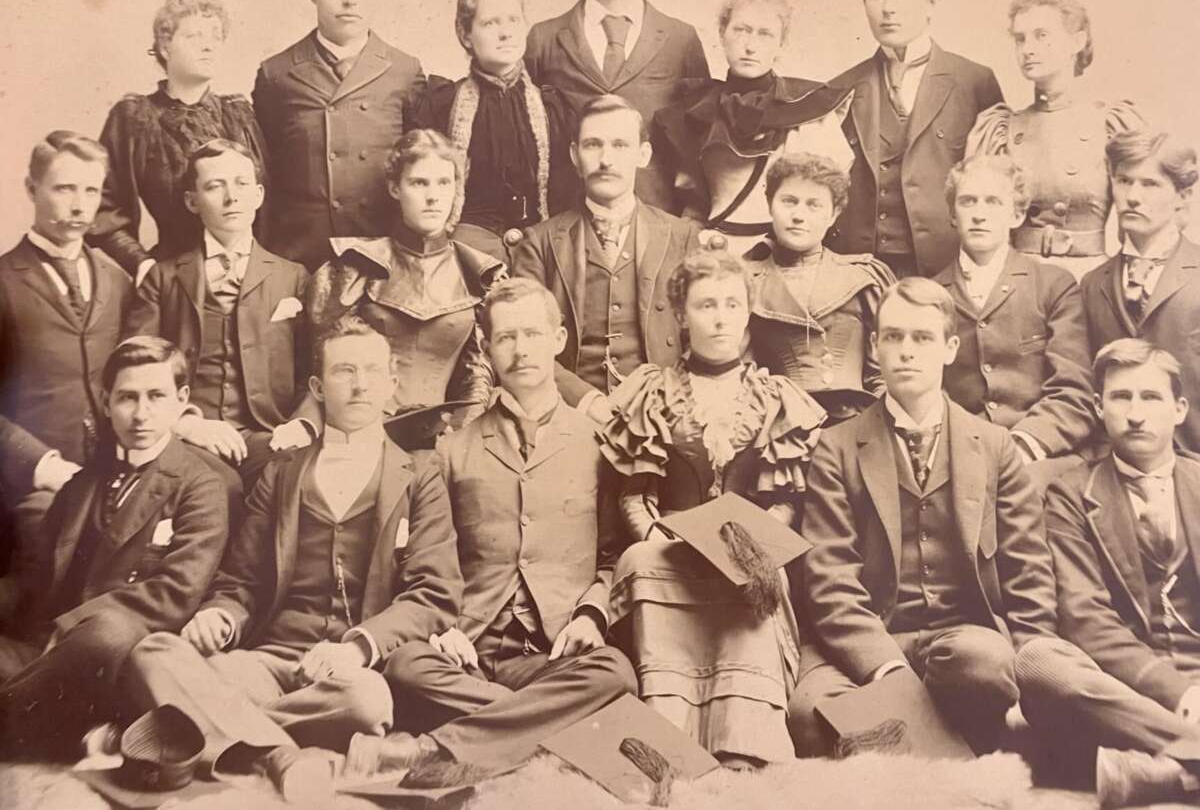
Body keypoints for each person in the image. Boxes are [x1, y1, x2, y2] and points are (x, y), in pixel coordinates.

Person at [123, 315, 461, 781]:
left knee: (368, 701)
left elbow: (434, 592)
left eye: (371, 371)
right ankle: (280, 755)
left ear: (391, 382)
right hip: (267, 661)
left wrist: (358, 648)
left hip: (347, 675)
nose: (359, 385)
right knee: (154, 652)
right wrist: (220, 617)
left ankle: (203, 727)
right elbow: (239, 582)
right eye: (345, 371)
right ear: (318, 388)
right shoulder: (282, 473)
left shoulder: (419, 476)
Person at [351, 278, 635, 774]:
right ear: (486, 346)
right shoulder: (451, 450)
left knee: (615, 674)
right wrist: (445, 629)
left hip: (552, 653)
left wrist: (591, 614)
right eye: (505, 337)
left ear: (559, 340)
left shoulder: (598, 444)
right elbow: (430, 560)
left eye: (531, 334)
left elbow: (613, 557)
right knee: (405, 666)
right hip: (469, 650)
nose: (520, 350)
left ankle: (430, 749)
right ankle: (544, 729)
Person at [791, 277, 1057, 756]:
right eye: (893, 337)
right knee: (809, 715)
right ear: (874, 347)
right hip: (870, 637)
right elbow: (830, 579)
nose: (906, 352)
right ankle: (949, 756)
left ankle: (904, 745)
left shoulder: (994, 446)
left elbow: (1028, 570)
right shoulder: (837, 446)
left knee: (985, 666)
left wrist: (1035, 669)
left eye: (922, 338)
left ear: (950, 348)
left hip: (957, 642)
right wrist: (885, 667)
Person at [598, 249, 826, 768]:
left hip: (746, 556)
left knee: (760, 575)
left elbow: (783, 499)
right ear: (681, 316)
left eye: (731, 304)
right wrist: (657, 537)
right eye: (705, 305)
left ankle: (743, 746)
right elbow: (635, 493)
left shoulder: (775, 398)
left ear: (748, 312)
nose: (720, 317)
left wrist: (753, 548)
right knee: (640, 563)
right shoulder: (651, 392)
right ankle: (667, 736)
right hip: (669, 551)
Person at [0, 337, 231, 759]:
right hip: (50, 653)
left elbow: (174, 594)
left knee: (108, 633)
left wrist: (70, 628)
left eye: (155, 397)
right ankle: (60, 734)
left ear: (181, 400)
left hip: (123, 655)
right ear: (106, 403)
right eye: (127, 398)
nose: (141, 414)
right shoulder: (82, 484)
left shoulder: (201, 486)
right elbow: (34, 578)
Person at [1015, 340, 1200, 791]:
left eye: (1150, 397)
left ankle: (1165, 776)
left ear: (1179, 409)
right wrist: (1179, 692)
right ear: (1099, 407)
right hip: (1127, 692)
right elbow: (1086, 619)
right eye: (1121, 397)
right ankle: (1188, 756)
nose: (1136, 413)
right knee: (1039, 660)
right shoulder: (1070, 493)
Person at [123, 139, 311, 485]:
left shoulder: (293, 277)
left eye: (241, 184)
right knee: (216, 487)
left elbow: (313, 369)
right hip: (189, 435)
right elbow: (137, 369)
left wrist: (300, 423)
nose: (231, 197)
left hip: (268, 432)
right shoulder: (162, 279)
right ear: (192, 201)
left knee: (294, 481)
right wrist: (186, 423)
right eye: (215, 186)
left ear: (258, 195)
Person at [511, 94, 699, 423]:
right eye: (593, 145)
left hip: (665, 414)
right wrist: (585, 401)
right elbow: (523, 343)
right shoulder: (538, 243)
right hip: (566, 416)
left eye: (620, 145)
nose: (605, 159)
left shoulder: (682, 237)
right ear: (574, 155)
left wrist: (667, 398)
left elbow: (700, 338)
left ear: (643, 154)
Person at [828, 0, 1004, 278]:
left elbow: (995, 187)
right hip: (857, 272)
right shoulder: (840, 88)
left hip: (946, 270)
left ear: (932, 2)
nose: (888, 7)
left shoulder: (974, 82)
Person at [524, 0, 709, 212]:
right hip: (566, 217)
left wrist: (691, 215)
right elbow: (525, 137)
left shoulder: (680, 39)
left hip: (658, 216)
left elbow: (700, 140)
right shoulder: (545, 38)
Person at [306, 129, 503, 429]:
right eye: (419, 183)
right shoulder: (356, 265)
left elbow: (479, 372)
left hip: (449, 432)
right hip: (361, 427)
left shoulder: (479, 273)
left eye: (444, 183)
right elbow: (326, 363)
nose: (433, 196)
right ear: (395, 188)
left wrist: (464, 431)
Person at [253, 0, 427, 271]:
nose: (350, 0)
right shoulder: (277, 75)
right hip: (301, 259)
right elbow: (266, 175)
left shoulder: (405, 71)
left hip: (385, 257)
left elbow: (419, 168)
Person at [652, 0, 854, 246]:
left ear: (781, 44)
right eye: (741, 30)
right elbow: (692, 205)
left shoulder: (809, 110)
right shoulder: (697, 112)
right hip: (714, 249)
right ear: (722, 35)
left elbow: (825, 201)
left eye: (765, 34)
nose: (750, 45)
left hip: (784, 252)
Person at [90, 0, 269, 282]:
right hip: (173, 279)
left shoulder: (239, 115)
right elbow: (103, 207)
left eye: (214, 36)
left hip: (244, 274)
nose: (208, 46)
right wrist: (141, 264)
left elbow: (267, 203)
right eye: (194, 37)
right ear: (164, 47)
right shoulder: (136, 118)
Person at [967, 0, 1142, 278]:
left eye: (1042, 35)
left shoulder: (1111, 125)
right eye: (1020, 39)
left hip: (1089, 280)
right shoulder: (1001, 128)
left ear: (1078, 41)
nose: (1028, 49)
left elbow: (1141, 221)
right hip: (1020, 279)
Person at [933, 154, 1094, 463]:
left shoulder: (1053, 285)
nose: (979, 214)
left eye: (993, 202)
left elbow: (1074, 392)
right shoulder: (932, 294)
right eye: (968, 202)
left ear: (1017, 216)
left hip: (1041, 456)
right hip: (962, 456)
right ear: (953, 215)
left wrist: (1023, 447)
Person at [0, 133, 132, 509]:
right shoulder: (4, 280)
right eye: (64, 189)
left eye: (91, 191)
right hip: (30, 481)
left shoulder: (116, 279)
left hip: (112, 471)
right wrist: (43, 465)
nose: (79, 206)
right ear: (31, 189)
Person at [408, 0, 577, 265]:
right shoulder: (441, 106)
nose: (505, 33)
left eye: (513, 20)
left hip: (542, 250)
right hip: (464, 253)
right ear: (465, 35)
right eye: (490, 23)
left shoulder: (553, 107)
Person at [743, 152, 895, 422]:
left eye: (814, 205)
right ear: (770, 205)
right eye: (789, 201)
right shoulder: (746, 281)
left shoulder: (864, 277)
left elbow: (884, 372)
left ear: (834, 214)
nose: (798, 215)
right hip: (784, 429)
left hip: (861, 426)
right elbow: (741, 373)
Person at [1080, 129, 1200, 454]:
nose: (1133, 196)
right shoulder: (1093, 284)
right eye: (1123, 181)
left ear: (1183, 197)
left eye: (1150, 184)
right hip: (1113, 468)